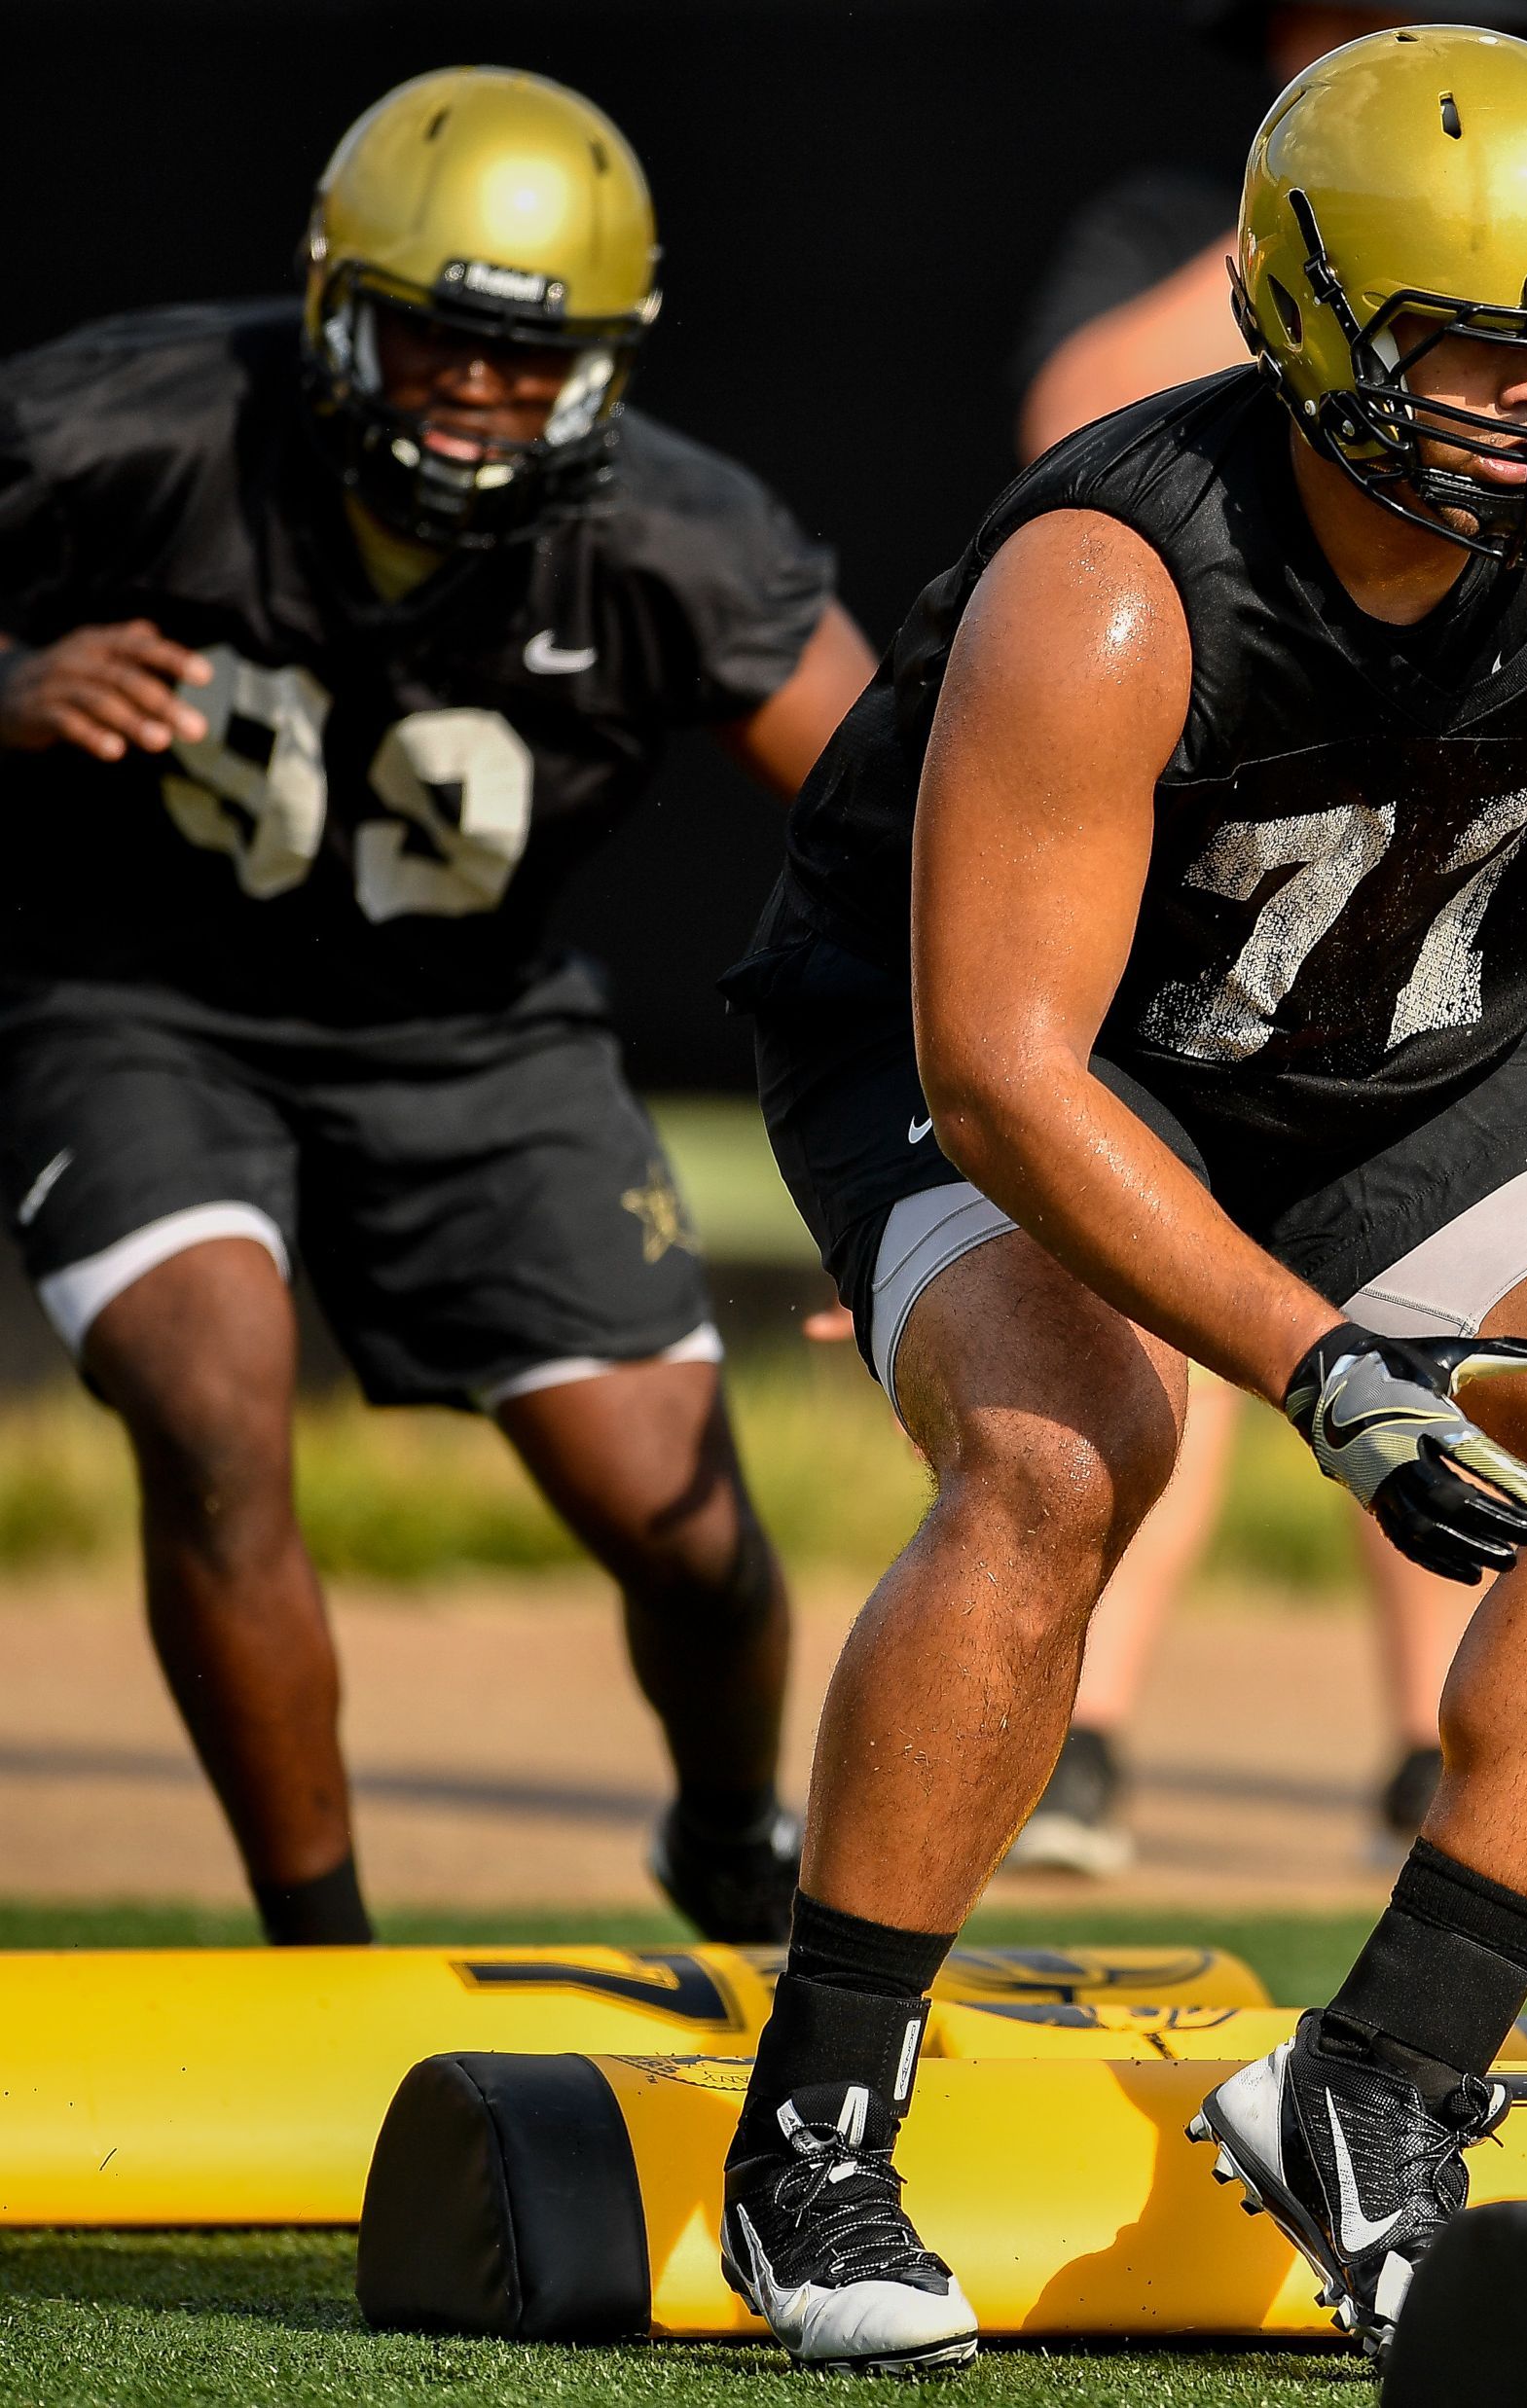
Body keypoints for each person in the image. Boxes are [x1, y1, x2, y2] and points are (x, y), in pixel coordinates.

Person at [710, 29, 1527, 2373]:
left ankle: (1376, 2077)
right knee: (1065, 1446)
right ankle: (813, 2123)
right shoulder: (1113, 579)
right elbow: (996, 1065)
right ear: (1308, 322)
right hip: (1024, 1050)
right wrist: (1308, 1359)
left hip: (1394, 1025)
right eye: (1480, 347)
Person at [0, 69, 875, 1947]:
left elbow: (909, 823)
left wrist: (955, 1120)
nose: (478, 393)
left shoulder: (676, 537)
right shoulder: (129, 421)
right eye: (436, 341)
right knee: (212, 1395)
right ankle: (319, 1948)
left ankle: (732, 1831)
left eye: (527, 357)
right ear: (337, 306)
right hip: (137, 1002)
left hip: (475, 1037)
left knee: (686, 1530)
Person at [1000, 0, 1527, 1873]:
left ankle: (1429, 1731)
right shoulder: (1167, 233)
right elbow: (1076, 430)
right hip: (1230, 821)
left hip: (1501, 819)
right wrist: (1335, 262)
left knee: (1484, 1273)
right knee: (1152, 1255)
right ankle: (1086, 1725)